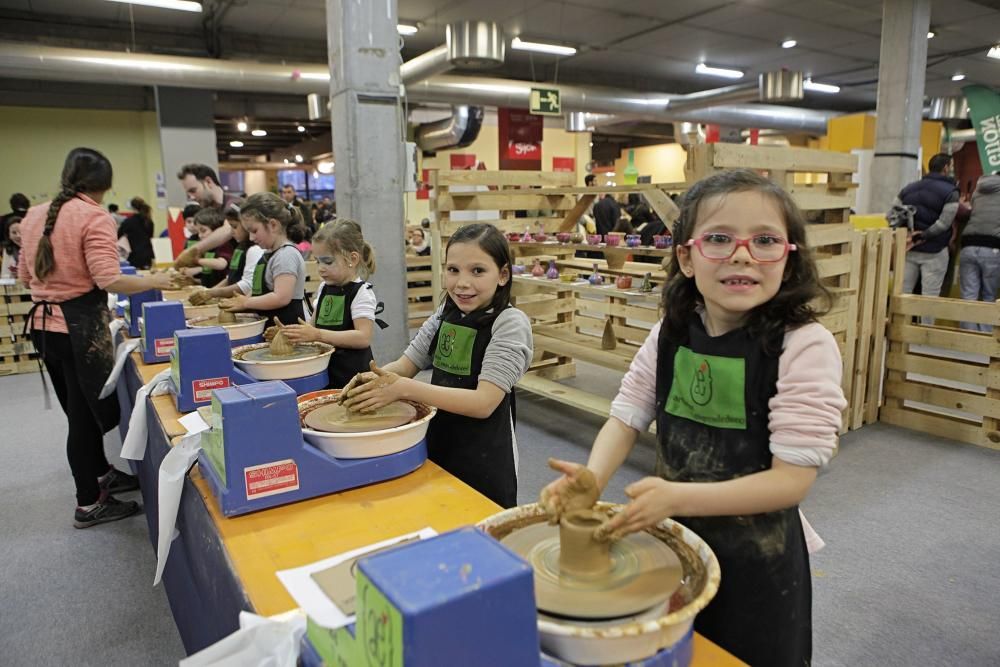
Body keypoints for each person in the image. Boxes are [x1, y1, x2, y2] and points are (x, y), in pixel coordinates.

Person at [539, 170, 846, 666]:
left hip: (759, 559)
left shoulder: (803, 344)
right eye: (719, 239)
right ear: (686, 256)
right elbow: (626, 417)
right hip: (680, 539)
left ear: (788, 258)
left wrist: (678, 495)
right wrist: (593, 477)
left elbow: (791, 482)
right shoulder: (671, 333)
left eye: (764, 240)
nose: (742, 254)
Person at [18, 147, 173, 528]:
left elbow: (26, 277)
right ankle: (88, 502)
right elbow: (109, 278)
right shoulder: (94, 216)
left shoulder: (35, 215)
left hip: (43, 325)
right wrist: (155, 280)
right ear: (104, 184)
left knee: (78, 408)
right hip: (77, 328)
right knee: (86, 419)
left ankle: (101, 473)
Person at [341, 223, 533, 508]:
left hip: (486, 457)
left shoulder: (510, 324)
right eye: (453, 270)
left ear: (503, 275)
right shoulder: (446, 313)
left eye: (477, 271)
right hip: (438, 441)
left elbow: (484, 403)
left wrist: (404, 389)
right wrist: (372, 379)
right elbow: (406, 365)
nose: (462, 283)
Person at [281, 220, 384, 389]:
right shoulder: (324, 288)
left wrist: (318, 335)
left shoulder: (361, 292)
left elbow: (363, 337)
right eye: (317, 261)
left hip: (352, 375)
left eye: (327, 262)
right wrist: (289, 334)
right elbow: (312, 327)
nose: (320, 268)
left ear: (352, 259)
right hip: (326, 371)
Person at [220, 192, 307, 325]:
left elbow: (281, 297)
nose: (251, 238)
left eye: (254, 231)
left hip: (287, 329)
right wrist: (242, 300)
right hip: (269, 325)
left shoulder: (286, 255)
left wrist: (246, 302)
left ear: (273, 225)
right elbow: (258, 291)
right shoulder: (269, 253)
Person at [895, 153, 960, 299]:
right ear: (945, 168)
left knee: (903, 294)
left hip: (909, 249)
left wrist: (908, 235)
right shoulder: (951, 192)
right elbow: (944, 223)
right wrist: (923, 235)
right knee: (929, 297)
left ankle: (900, 322)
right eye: (951, 166)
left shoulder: (908, 189)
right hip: (935, 251)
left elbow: (892, 215)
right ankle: (925, 322)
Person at [188, 204, 262, 304]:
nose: (231, 232)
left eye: (235, 227)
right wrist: (207, 292)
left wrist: (213, 293)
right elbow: (231, 277)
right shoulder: (239, 247)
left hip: (245, 302)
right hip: (235, 299)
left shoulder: (254, 249)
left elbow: (247, 285)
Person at [174, 164, 241, 266]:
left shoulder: (234, 204)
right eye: (188, 194)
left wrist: (192, 251)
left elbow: (228, 230)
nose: (191, 197)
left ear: (208, 182)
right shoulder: (205, 212)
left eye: (193, 190)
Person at [958, 172, 1000, 331]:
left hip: (968, 245)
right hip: (992, 247)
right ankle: (984, 340)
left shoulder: (978, 189)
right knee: (988, 296)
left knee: (968, 296)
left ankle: (966, 338)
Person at [187, 208, 235, 287]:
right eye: (198, 232)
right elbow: (208, 275)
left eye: (203, 231)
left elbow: (221, 264)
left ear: (217, 230)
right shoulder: (208, 249)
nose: (199, 235)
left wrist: (197, 260)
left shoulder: (223, 245)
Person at [116, 196, 155, 269]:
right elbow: (150, 236)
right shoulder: (149, 221)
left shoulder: (128, 222)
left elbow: (118, 236)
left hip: (134, 256)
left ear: (132, 207)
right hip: (147, 255)